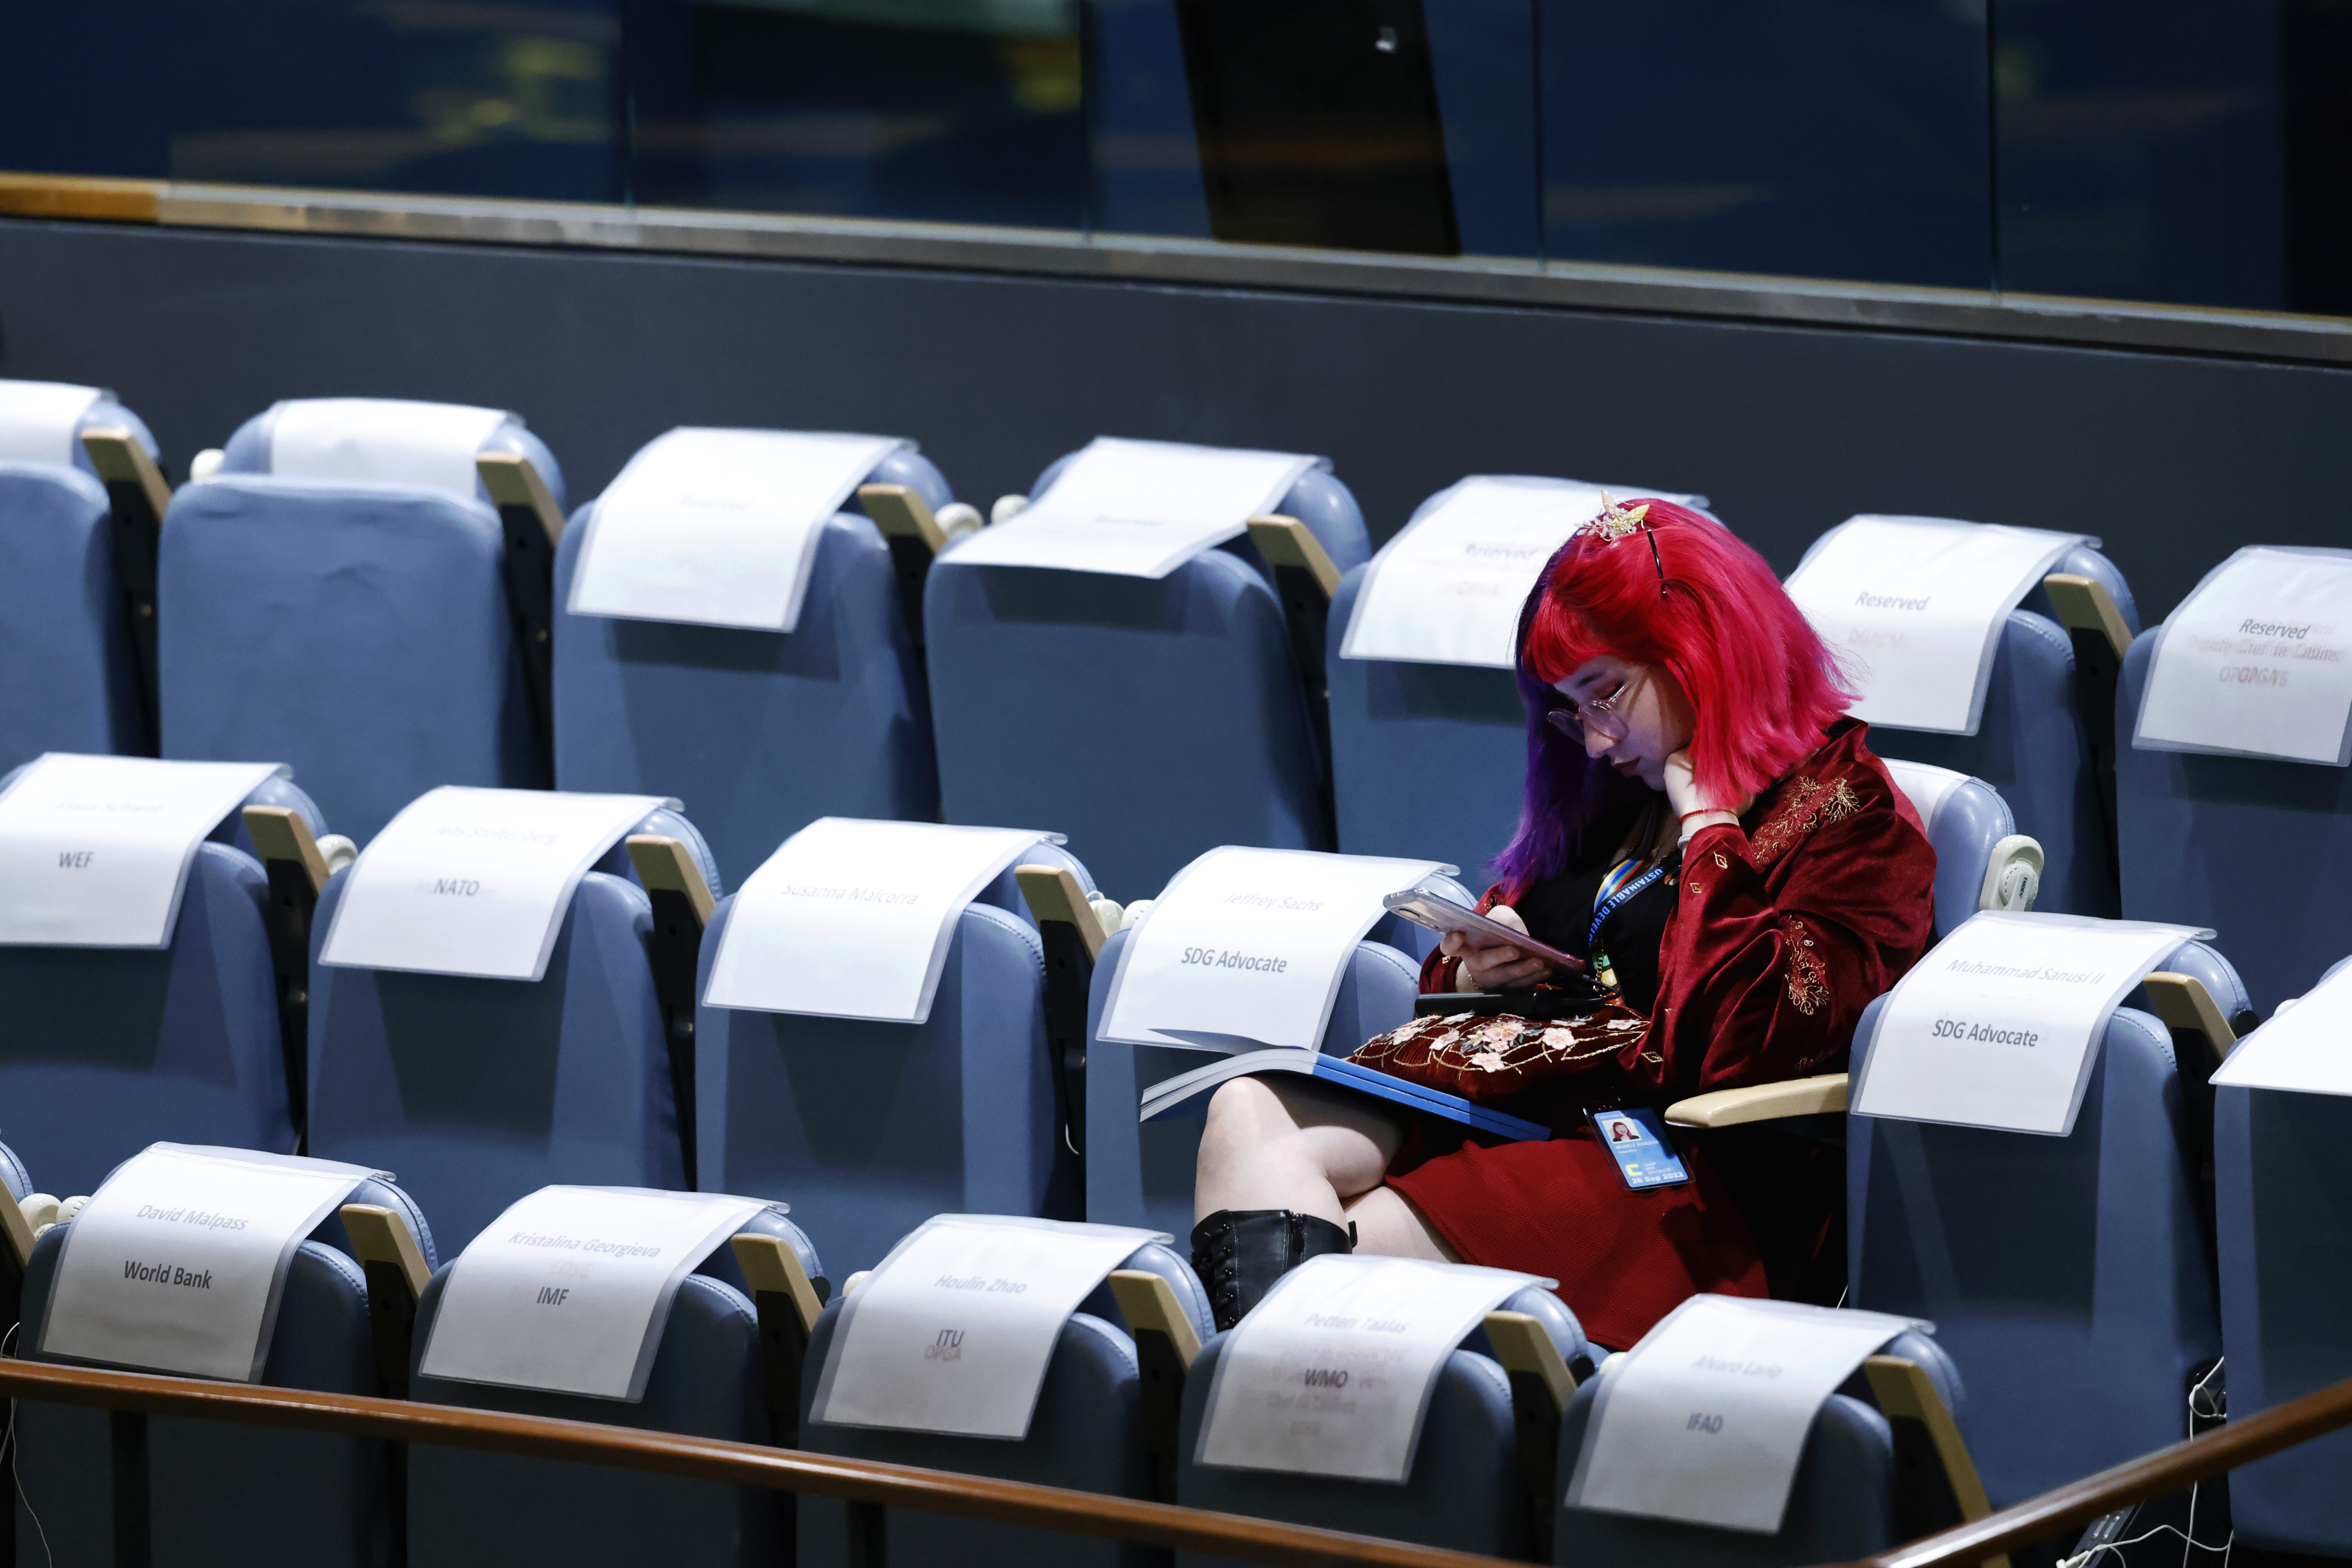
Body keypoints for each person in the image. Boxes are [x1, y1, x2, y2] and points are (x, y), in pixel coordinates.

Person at [1189, 496, 1936, 1346]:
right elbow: (1489, 946)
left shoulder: (1852, 817)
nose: (1590, 739)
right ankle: (1268, 1431)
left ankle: (1267, 1439)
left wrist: (1710, 828)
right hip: (1539, 1105)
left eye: (1605, 693)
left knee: (1366, 1250)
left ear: (1702, 653)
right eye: (1571, 708)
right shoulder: (1621, 786)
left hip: (1696, 1177)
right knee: (1247, 1113)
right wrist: (1474, 968)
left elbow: (1749, 1042)